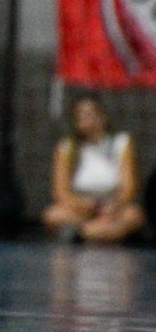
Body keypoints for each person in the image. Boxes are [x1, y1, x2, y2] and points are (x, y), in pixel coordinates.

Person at [43, 95, 147, 243]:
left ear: (102, 116)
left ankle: (82, 234)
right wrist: (80, 204)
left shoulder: (122, 143)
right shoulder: (66, 147)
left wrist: (115, 204)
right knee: (52, 215)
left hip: (112, 205)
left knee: (134, 216)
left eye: (90, 114)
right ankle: (96, 232)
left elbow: (129, 186)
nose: (86, 120)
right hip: (81, 206)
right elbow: (60, 191)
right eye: (81, 116)